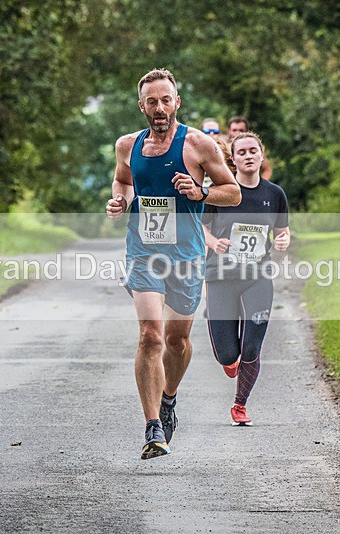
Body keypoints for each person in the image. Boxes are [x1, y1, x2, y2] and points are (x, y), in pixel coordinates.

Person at [106, 68, 240, 459]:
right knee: (150, 335)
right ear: (141, 106)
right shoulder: (126, 146)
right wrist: (121, 201)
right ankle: (152, 428)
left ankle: (168, 399)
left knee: (177, 341)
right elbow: (122, 181)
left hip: (186, 255)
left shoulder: (199, 145)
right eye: (152, 101)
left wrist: (200, 192)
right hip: (144, 250)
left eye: (166, 100)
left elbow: (231, 192)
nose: (159, 107)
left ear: (177, 102)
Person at [202, 131, 289, 426]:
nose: (249, 156)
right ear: (234, 159)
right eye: (242, 152)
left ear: (261, 156)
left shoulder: (274, 195)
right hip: (221, 275)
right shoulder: (219, 192)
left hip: (258, 276)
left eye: (254, 151)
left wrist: (282, 241)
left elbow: (281, 230)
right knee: (228, 354)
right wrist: (213, 243)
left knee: (252, 345)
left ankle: (240, 405)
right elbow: (199, 228)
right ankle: (229, 361)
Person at [227, 116, 273, 180]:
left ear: (247, 131)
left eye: (241, 130)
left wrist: (261, 186)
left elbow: (267, 170)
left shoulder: (255, 148)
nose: (237, 133)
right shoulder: (222, 149)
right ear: (228, 131)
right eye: (234, 130)